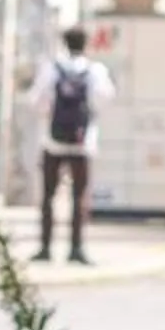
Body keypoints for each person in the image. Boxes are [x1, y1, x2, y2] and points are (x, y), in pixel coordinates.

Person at [31, 25, 115, 264]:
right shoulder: (94, 71)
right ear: (85, 44)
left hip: (52, 141)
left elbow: (36, 100)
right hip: (82, 142)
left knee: (48, 195)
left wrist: (51, 115)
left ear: (64, 43)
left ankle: (45, 247)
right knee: (79, 196)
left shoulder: (52, 69)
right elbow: (104, 99)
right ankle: (76, 248)